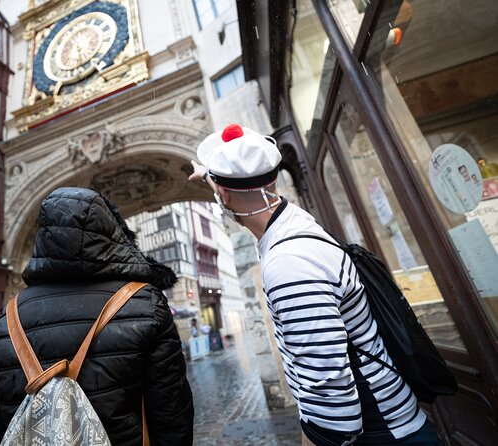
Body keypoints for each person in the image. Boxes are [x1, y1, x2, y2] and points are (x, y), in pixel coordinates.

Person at [188, 124, 441, 445]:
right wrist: (210, 176)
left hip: (379, 433)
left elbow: (331, 394)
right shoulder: (293, 222)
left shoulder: (289, 262)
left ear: (222, 194)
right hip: (391, 421)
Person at [0, 187, 194, 446]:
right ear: (111, 232)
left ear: (44, 237)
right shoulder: (145, 304)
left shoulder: (5, 320)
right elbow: (172, 416)